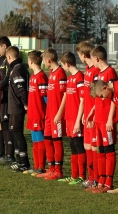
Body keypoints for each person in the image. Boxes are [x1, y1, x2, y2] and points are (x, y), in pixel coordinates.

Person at [85, 46, 118, 194]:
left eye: (92, 59)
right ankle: (100, 181)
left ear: (97, 58)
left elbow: (114, 99)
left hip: (106, 120)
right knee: (100, 151)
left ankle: (108, 183)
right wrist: (92, 113)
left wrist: (110, 119)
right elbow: (97, 98)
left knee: (108, 150)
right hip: (98, 118)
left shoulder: (110, 73)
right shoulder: (98, 73)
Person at [90, 79, 118, 195]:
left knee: (112, 151)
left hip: (110, 123)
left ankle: (111, 183)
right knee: (102, 150)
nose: (104, 98)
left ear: (105, 88)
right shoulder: (113, 93)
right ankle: (103, 181)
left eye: (102, 96)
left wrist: (110, 120)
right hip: (102, 121)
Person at [37, 48, 67, 180]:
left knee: (56, 141)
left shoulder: (60, 73)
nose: (43, 62)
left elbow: (65, 94)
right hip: (49, 114)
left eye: (44, 60)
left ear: (48, 60)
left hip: (56, 115)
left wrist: (59, 113)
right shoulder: (51, 72)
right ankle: (51, 168)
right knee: (47, 140)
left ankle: (59, 171)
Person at [56, 52, 86, 185]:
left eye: (63, 65)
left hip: (76, 118)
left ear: (67, 64)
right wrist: (61, 113)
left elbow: (82, 100)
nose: (63, 68)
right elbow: (67, 97)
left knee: (79, 146)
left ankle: (82, 175)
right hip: (69, 117)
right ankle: (74, 175)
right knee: (72, 146)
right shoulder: (70, 78)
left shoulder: (80, 77)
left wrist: (78, 120)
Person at [76, 41, 100, 189]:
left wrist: (94, 113)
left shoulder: (96, 71)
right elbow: (84, 97)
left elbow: (99, 96)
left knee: (94, 147)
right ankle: (92, 178)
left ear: (84, 55)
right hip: (87, 115)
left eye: (79, 54)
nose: (79, 57)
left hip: (95, 115)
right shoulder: (87, 69)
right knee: (87, 146)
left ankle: (97, 179)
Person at [6, 46, 30, 172]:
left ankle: (24, 162)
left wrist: (25, 103)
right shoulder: (18, 68)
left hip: (17, 107)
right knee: (15, 133)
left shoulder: (17, 69)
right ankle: (18, 160)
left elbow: (21, 89)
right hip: (13, 107)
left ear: (9, 57)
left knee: (18, 133)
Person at [24, 50, 48, 176]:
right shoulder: (33, 76)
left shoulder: (41, 77)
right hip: (32, 114)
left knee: (40, 141)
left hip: (39, 114)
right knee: (35, 141)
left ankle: (41, 167)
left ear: (31, 61)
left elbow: (45, 98)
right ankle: (36, 165)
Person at [0, 36, 14, 163]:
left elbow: (7, 78)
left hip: (7, 97)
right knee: (0, 124)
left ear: (4, 46)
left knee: (7, 126)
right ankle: (2, 152)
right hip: (0, 97)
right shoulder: (0, 60)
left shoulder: (9, 62)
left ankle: (10, 154)